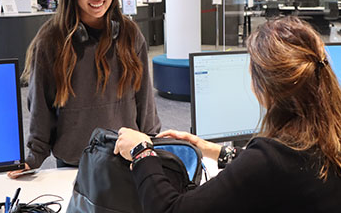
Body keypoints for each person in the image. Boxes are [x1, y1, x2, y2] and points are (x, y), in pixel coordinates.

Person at [114, 16, 341, 212]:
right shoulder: (327, 135)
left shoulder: (271, 158)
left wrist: (141, 152)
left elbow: (171, 209)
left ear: (263, 86)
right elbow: (279, 168)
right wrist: (213, 150)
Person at [8, 0, 161, 177]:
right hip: (74, 165)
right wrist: (34, 156)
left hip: (124, 159)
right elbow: (40, 104)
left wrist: (151, 143)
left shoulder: (129, 34)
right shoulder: (51, 40)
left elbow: (145, 99)